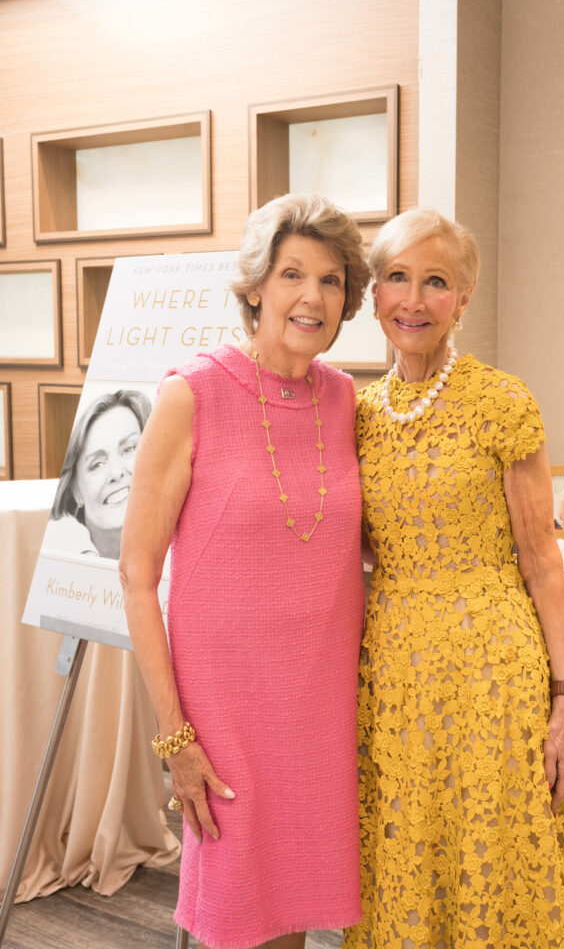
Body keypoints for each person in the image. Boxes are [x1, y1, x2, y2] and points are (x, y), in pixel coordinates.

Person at [120, 193, 371, 949]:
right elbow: (135, 576)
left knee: (290, 908)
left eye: (331, 281)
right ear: (257, 284)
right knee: (236, 916)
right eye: (293, 273)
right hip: (227, 710)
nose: (312, 297)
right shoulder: (190, 394)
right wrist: (176, 738)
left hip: (319, 703)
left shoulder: (342, 399)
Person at [344, 208, 564, 949]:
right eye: (398, 278)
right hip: (392, 675)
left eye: (436, 282)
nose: (414, 301)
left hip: (492, 674)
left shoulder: (501, 401)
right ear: (375, 294)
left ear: (465, 297)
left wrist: (562, 697)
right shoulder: (353, 414)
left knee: (496, 854)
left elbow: (541, 560)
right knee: (406, 851)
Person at [45, 388, 151, 559]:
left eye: (128, 449)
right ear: (76, 491)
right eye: (97, 464)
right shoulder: (58, 548)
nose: (116, 473)